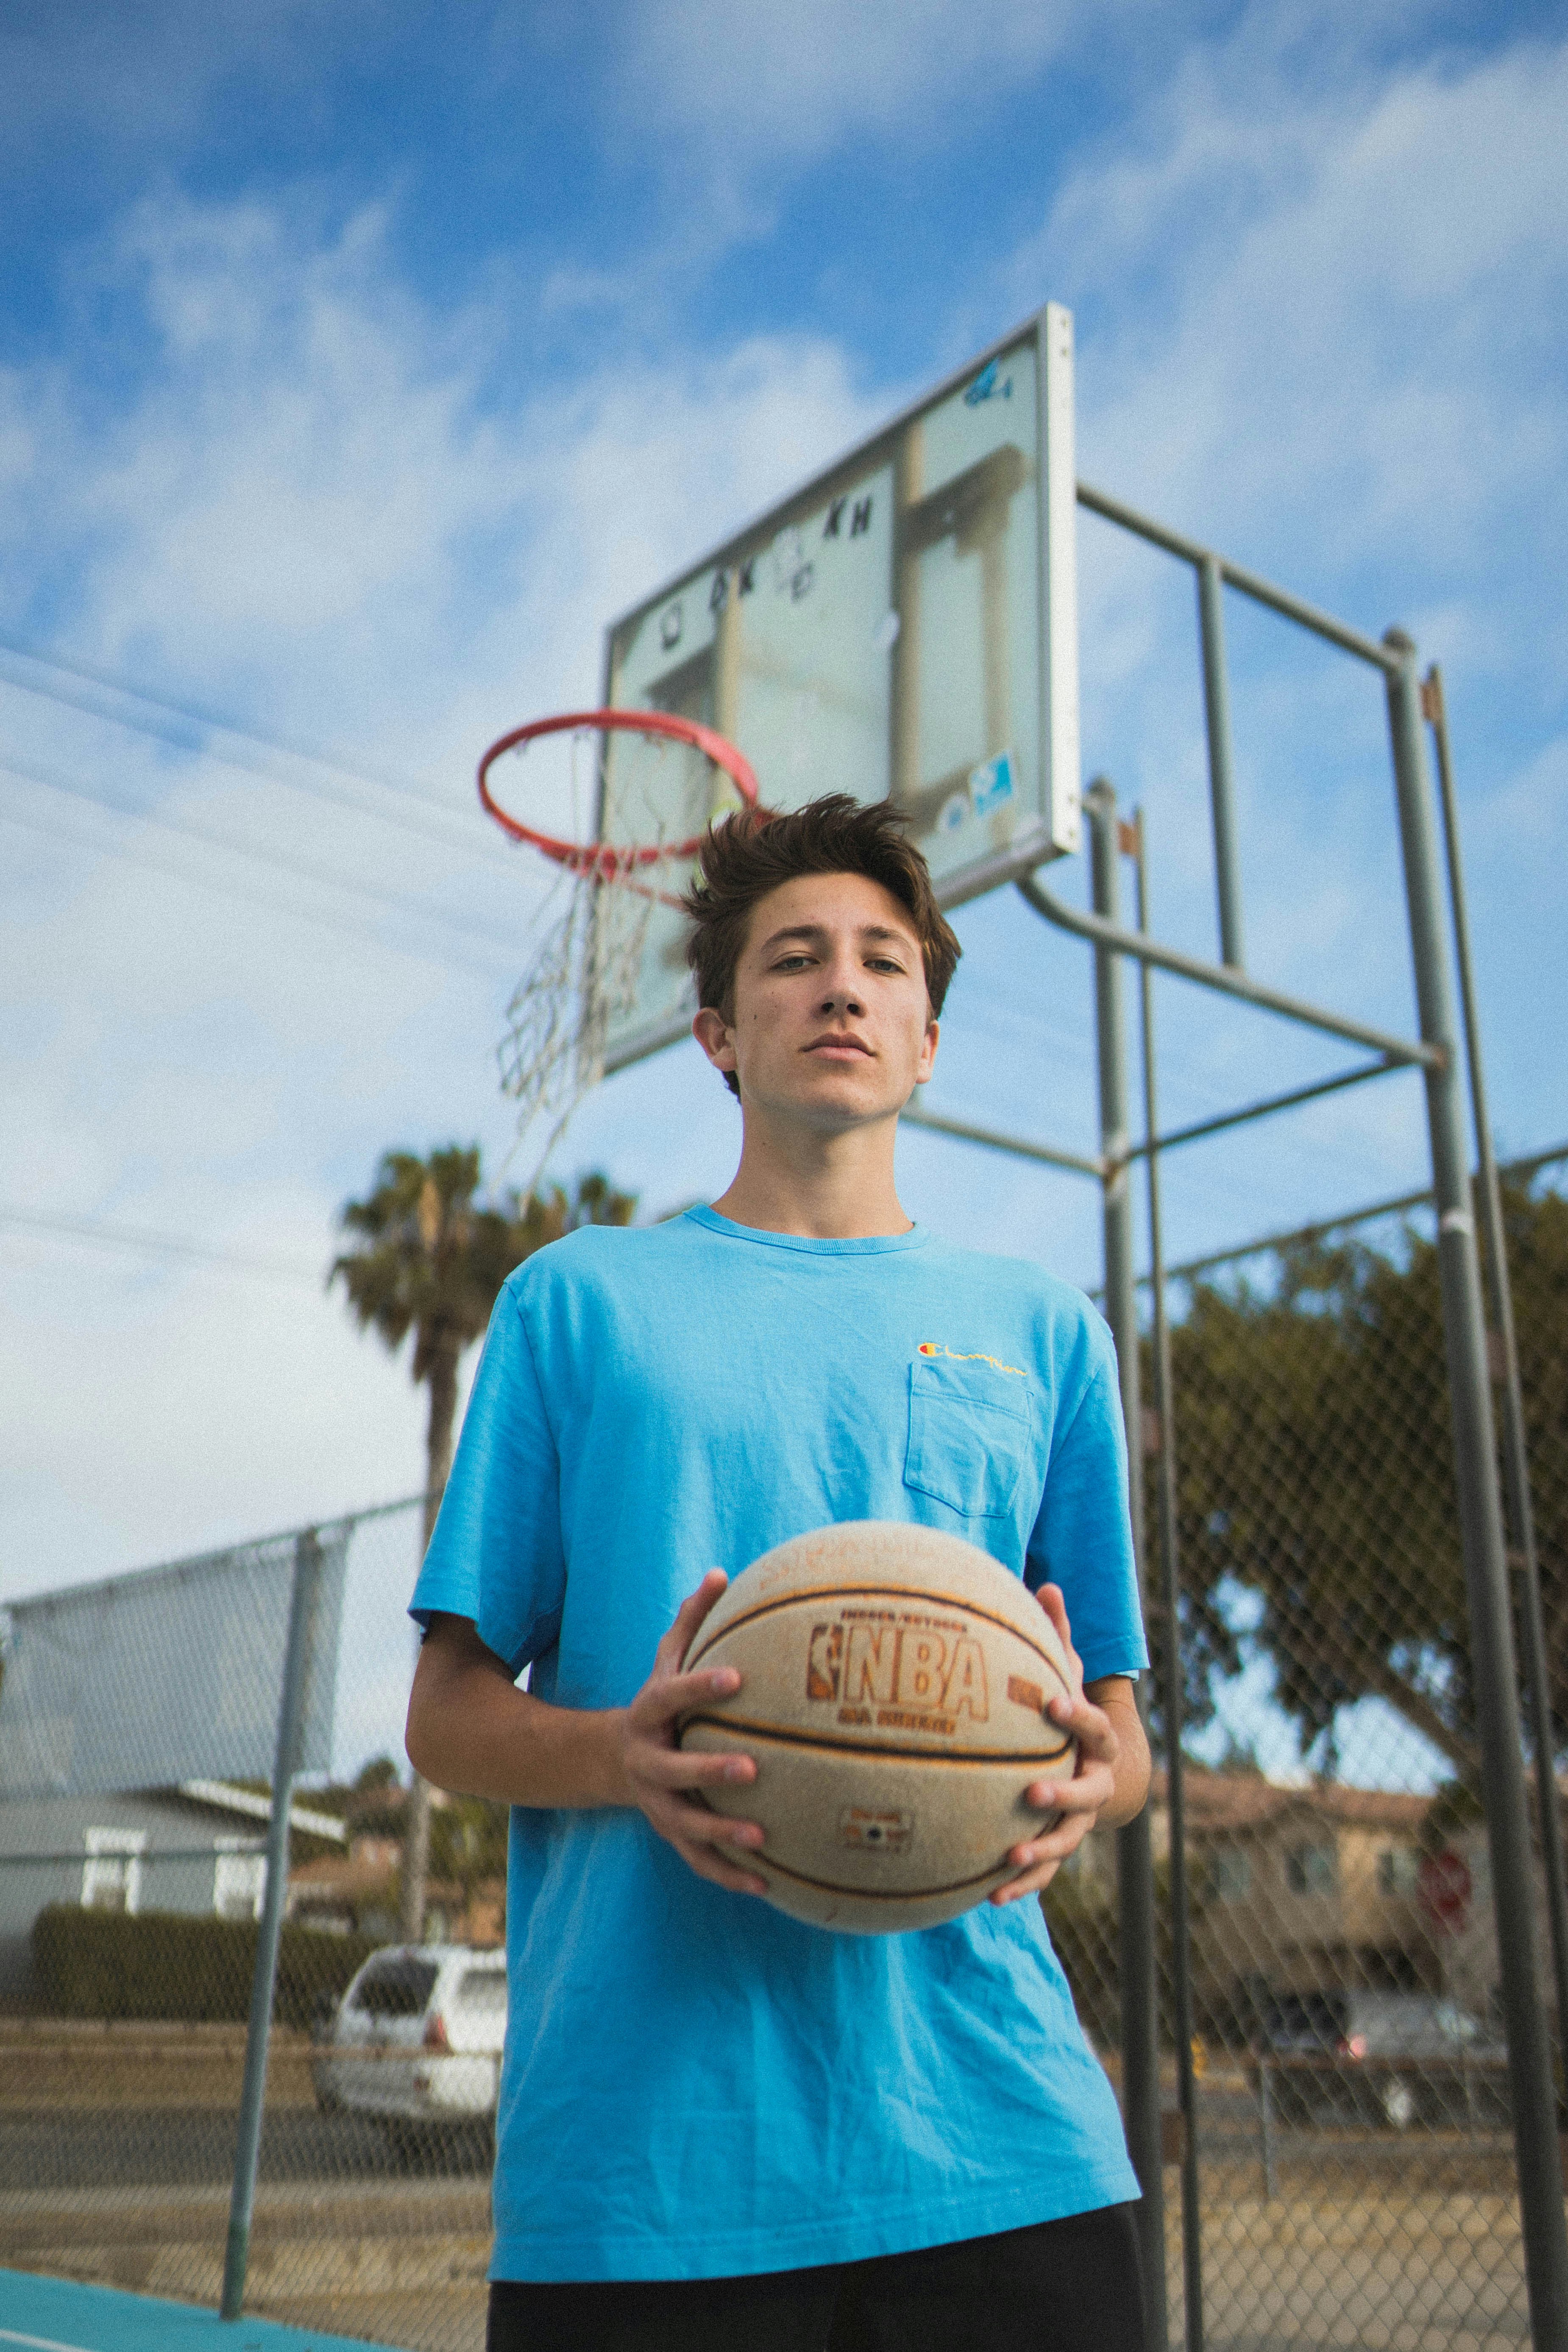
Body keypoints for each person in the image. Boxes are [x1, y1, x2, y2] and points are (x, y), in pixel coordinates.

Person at [406, 794, 1152, 2352]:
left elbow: (1122, 1738)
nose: (841, 986)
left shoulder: (1041, 1331)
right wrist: (616, 1753)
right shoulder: (582, 1301)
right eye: (794, 959)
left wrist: (1098, 1778)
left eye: (883, 963)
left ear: (926, 1037)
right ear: (718, 1034)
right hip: (646, 2168)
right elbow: (447, 1718)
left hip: (1001, 2147)